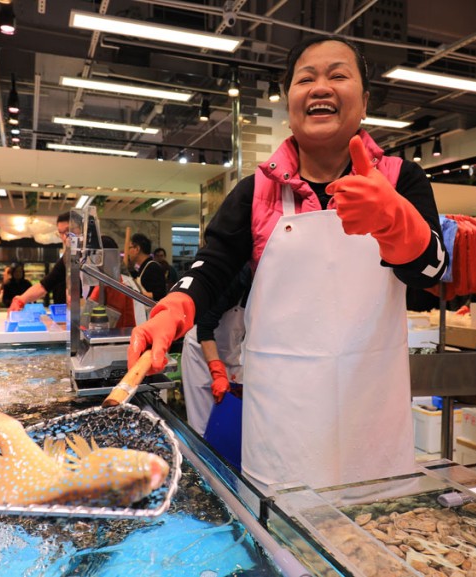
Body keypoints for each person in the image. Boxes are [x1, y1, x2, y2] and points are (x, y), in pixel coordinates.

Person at [125, 35, 447, 492]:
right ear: (289, 100)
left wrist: (396, 222)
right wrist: (173, 310)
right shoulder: (256, 191)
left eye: (338, 75)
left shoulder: (399, 178)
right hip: (281, 426)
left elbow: (431, 270)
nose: (320, 87)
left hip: (370, 416)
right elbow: (212, 265)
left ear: (365, 101)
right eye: (305, 79)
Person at [181, 266, 250, 435]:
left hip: (233, 352)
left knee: (233, 422)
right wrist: (217, 373)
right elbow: (205, 326)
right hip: (201, 353)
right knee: (203, 427)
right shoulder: (235, 278)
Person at [9, 213, 70, 311]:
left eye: (68, 231)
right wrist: (21, 300)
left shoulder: (103, 244)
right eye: (61, 233)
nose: (64, 237)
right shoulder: (68, 257)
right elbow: (44, 285)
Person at [127, 233, 167, 301]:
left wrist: (136, 294)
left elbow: (160, 295)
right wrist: (131, 269)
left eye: (130, 248)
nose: (128, 252)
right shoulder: (144, 267)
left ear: (137, 249)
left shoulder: (153, 267)